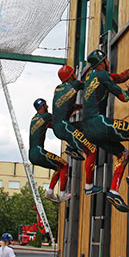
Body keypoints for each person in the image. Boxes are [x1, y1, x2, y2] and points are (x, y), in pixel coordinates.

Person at [80, 49, 129, 212]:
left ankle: (114, 191)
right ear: (102, 63)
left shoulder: (91, 77)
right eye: (106, 59)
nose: (108, 61)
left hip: (89, 130)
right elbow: (124, 97)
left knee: (122, 154)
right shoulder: (103, 75)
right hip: (99, 123)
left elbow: (122, 77)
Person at [52, 65, 100, 193]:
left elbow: (65, 105)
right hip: (64, 127)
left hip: (59, 126)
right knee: (91, 150)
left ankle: (71, 147)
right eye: (73, 74)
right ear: (71, 76)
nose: (75, 75)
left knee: (85, 126)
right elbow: (89, 85)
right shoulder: (75, 84)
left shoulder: (58, 89)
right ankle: (89, 186)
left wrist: (79, 107)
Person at [29, 98, 70, 202]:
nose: (47, 106)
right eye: (45, 105)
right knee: (64, 165)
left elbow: (50, 125)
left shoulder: (34, 119)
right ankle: (62, 194)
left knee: (58, 167)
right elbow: (59, 117)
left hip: (32, 154)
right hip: (39, 152)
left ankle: (50, 192)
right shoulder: (46, 116)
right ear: (42, 106)